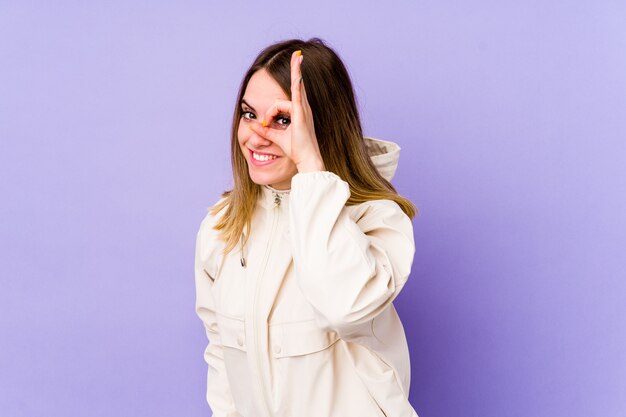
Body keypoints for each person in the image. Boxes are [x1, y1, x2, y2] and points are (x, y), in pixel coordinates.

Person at [194, 37, 419, 417]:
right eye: (249, 114)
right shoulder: (222, 227)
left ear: (320, 126)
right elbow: (222, 363)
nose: (257, 134)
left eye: (283, 120)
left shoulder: (376, 219)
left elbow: (344, 309)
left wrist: (312, 169)